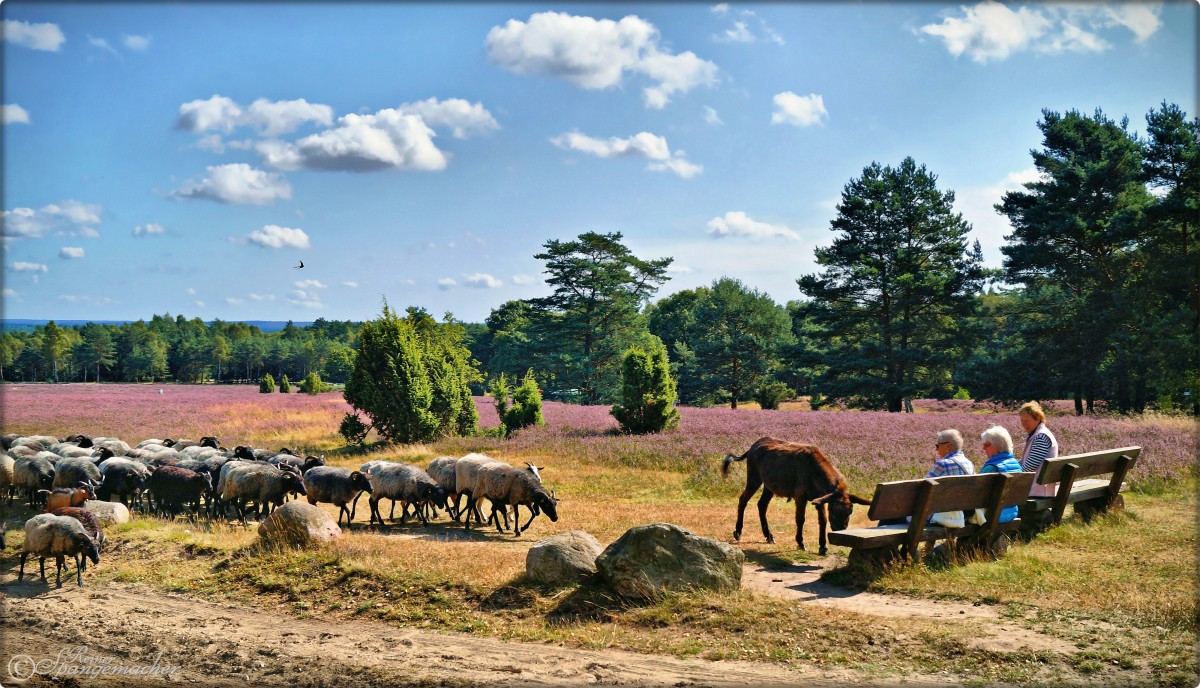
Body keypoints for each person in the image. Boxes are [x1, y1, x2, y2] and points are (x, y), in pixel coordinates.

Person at [979, 425, 1022, 523]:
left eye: (986, 445)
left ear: (997, 446)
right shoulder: (1016, 465)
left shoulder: (992, 468)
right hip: (1011, 512)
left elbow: (974, 495)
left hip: (991, 515)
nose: (983, 448)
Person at [1018, 401, 1058, 497]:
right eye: (1022, 421)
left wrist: (1012, 475)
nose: (1023, 424)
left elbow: (1029, 467)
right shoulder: (1039, 434)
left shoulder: (1041, 437)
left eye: (1026, 421)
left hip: (1038, 491)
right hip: (1041, 488)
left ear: (1038, 418)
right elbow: (1028, 462)